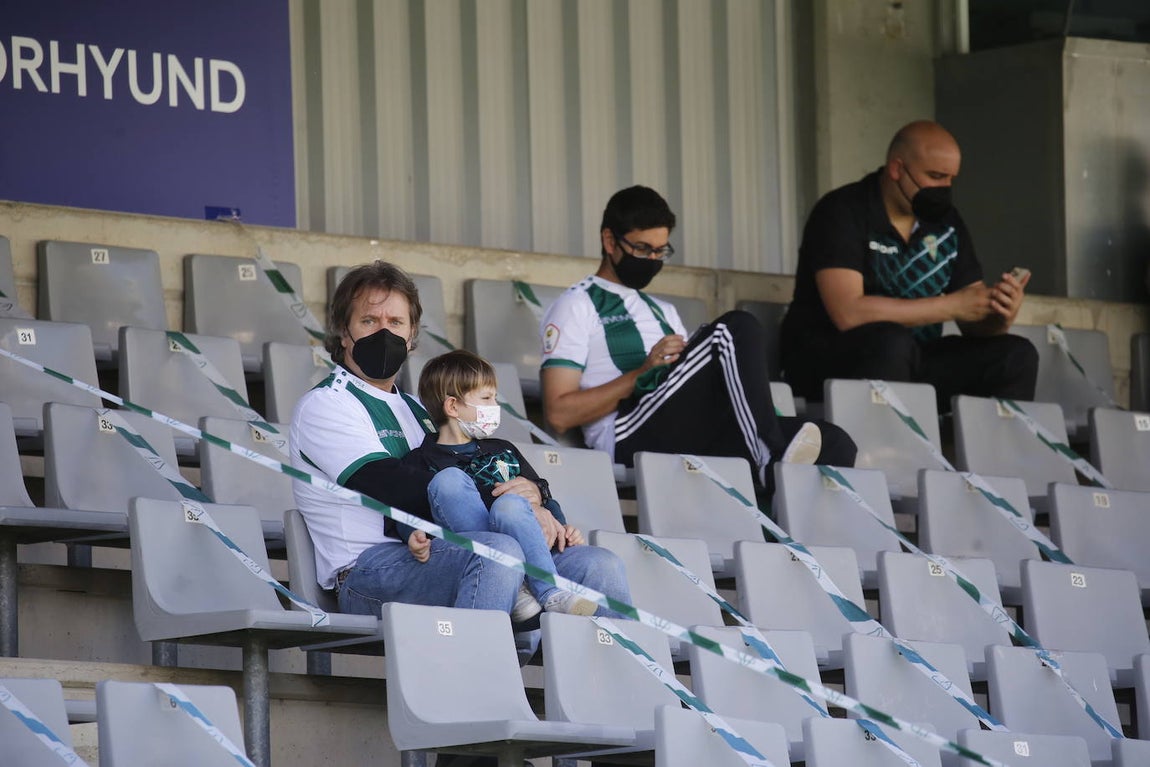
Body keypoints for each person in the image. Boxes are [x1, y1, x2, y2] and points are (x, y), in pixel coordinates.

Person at [289, 261, 628, 623]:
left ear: (412, 334)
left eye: (396, 323)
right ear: (344, 332)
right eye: (369, 321)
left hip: (441, 550)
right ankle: (481, 675)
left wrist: (533, 497)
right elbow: (393, 486)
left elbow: (477, 465)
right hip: (368, 570)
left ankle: (618, 677)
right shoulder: (325, 405)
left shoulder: (417, 408)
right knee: (495, 551)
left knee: (597, 565)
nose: (384, 333)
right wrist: (507, 504)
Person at [540, 185, 857, 493]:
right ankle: (766, 458)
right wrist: (641, 375)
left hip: (689, 429)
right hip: (626, 433)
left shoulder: (663, 311)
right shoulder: (576, 305)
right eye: (641, 249)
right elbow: (559, 415)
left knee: (832, 442)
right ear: (610, 241)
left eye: (659, 251)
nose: (651, 259)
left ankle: (782, 535)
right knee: (731, 331)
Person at [780, 120, 1038, 410]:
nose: (945, 188)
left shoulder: (947, 223)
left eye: (951, 179)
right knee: (891, 342)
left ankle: (994, 453)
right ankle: (886, 451)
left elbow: (972, 320)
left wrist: (998, 313)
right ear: (897, 169)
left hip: (912, 360)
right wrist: (952, 306)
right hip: (829, 362)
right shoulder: (842, 210)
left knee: (1016, 354)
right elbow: (848, 313)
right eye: (936, 176)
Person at [402, 349, 606, 618]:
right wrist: (410, 535)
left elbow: (543, 496)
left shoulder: (504, 449)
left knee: (510, 504)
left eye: (495, 398)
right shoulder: (418, 462)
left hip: (525, 541)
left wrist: (563, 528)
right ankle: (518, 583)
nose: (494, 407)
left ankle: (550, 592)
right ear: (452, 406)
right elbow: (404, 510)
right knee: (450, 484)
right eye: (486, 398)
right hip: (473, 558)